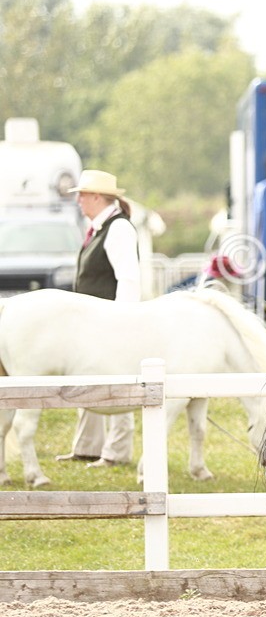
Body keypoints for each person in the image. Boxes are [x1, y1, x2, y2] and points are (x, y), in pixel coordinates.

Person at [55, 169, 140, 469]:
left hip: (109, 320)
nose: (78, 200)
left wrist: (121, 320)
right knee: (88, 378)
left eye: (81, 194)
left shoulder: (118, 229)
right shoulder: (100, 227)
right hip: (93, 322)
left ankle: (117, 451)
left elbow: (128, 279)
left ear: (95, 197)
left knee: (116, 382)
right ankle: (88, 447)